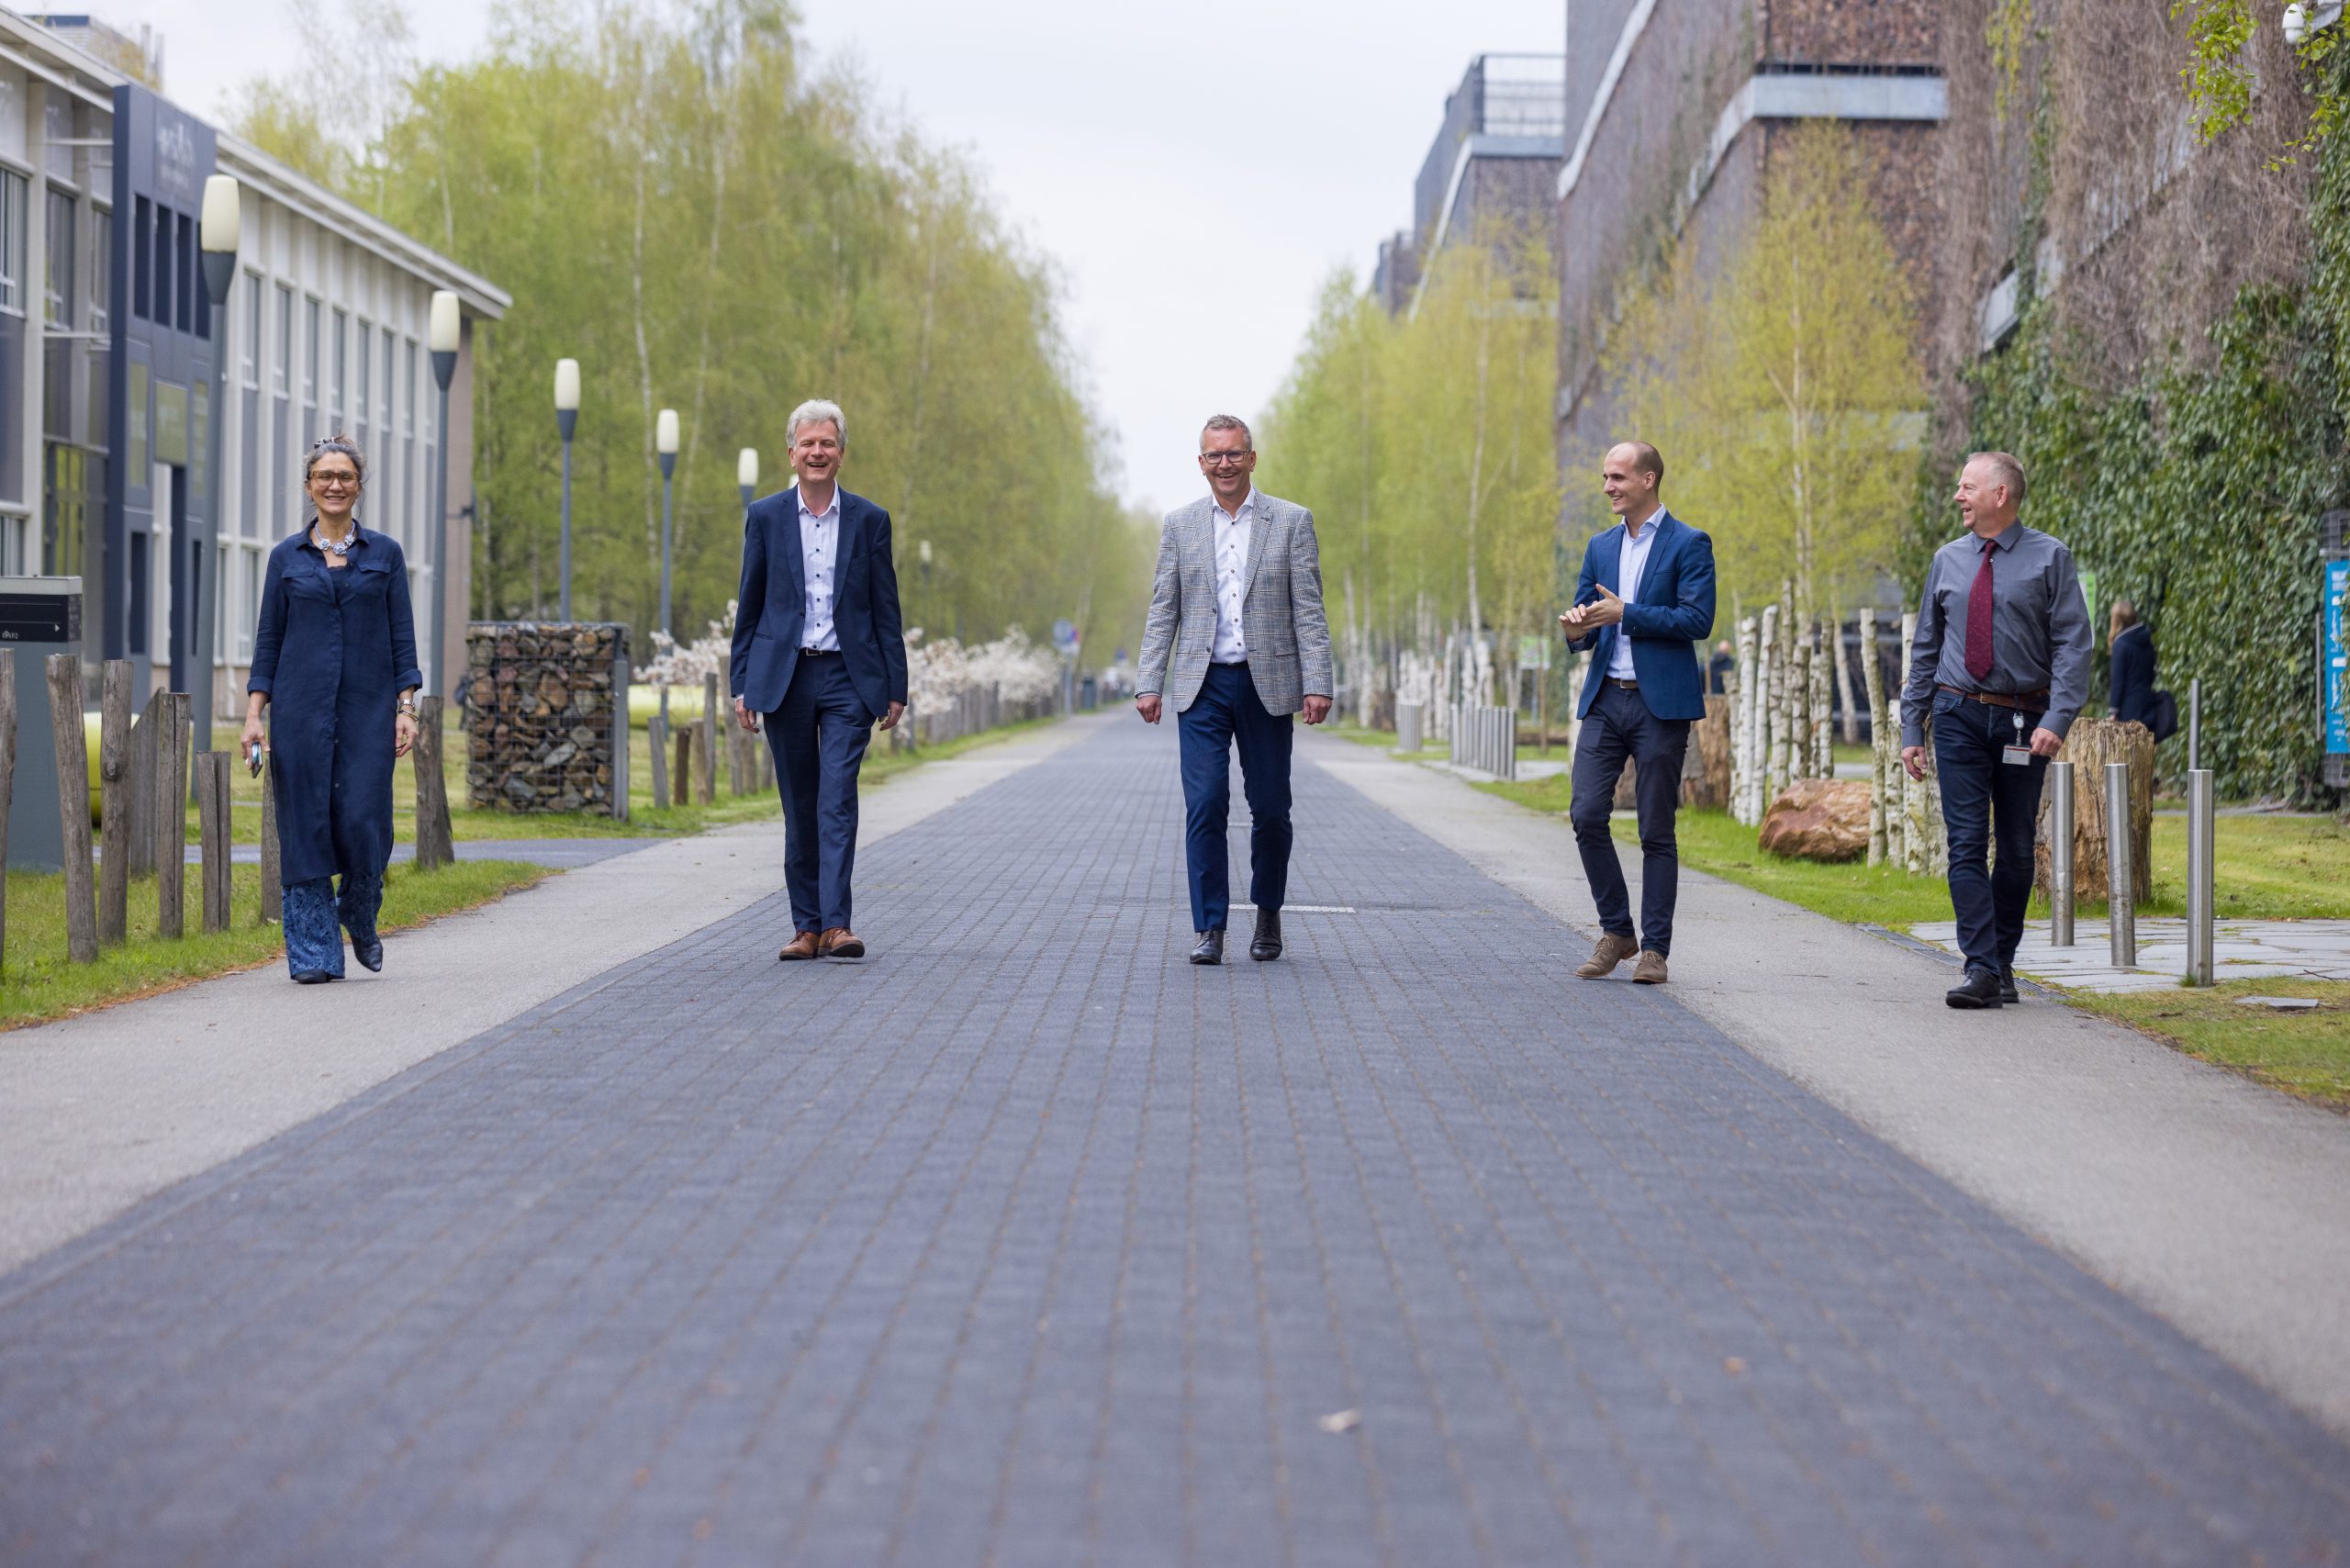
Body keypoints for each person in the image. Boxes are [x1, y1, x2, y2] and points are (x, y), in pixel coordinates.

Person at [1136, 414, 1333, 965]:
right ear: (1201, 463)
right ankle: (1210, 928)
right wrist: (1149, 681)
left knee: (1270, 808)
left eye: (1233, 454)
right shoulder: (1180, 526)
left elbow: (1309, 610)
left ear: (1251, 458)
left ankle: (1267, 913)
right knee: (1205, 804)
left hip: (1267, 682)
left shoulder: (1291, 522)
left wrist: (1318, 682)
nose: (1224, 464)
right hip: (1201, 686)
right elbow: (1164, 608)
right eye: (1214, 455)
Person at [1900, 452, 2092, 1010]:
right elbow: (1926, 648)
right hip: (1956, 713)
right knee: (1964, 843)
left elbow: (2073, 645)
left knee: (2015, 848)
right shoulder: (1947, 560)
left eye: (1967, 487)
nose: (1958, 496)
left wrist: (2057, 718)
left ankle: (2001, 962)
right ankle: (1980, 966)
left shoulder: (2051, 558)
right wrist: (1913, 725)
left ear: (2000, 495)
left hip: (2023, 722)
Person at [729, 399, 908, 961]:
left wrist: (896, 685)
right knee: (799, 802)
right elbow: (750, 605)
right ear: (792, 453)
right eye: (807, 443)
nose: (817, 452)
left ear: (841, 453)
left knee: (836, 799)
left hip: (848, 679)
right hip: (784, 678)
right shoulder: (765, 517)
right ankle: (805, 928)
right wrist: (741, 682)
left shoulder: (870, 520)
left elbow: (885, 609)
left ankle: (837, 925)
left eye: (827, 443)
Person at [241, 435, 421, 984]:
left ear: (358, 486)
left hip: (368, 710)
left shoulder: (385, 555)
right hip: (300, 712)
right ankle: (314, 954)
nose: (335, 485)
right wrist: (254, 715)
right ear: (309, 486)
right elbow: (269, 641)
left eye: (344, 476)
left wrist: (406, 707)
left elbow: (402, 638)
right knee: (304, 825)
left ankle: (360, 911)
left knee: (365, 819)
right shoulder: (285, 558)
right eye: (325, 476)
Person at [1560, 441, 1718, 986]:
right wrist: (1576, 629)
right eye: (1606, 477)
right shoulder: (1599, 546)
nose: (1608, 486)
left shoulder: (1690, 543)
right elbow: (1586, 621)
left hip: (1660, 705)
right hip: (1606, 699)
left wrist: (1627, 612)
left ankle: (1655, 951)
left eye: (1618, 477)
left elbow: (1697, 620)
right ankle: (1617, 931)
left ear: (1648, 479)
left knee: (1656, 829)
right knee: (1585, 814)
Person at [2109, 600, 2160, 731]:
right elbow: (2151, 674)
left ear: (2116, 621)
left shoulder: (2120, 645)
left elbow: (2118, 682)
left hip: (2128, 709)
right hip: (2148, 704)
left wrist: (2114, 711)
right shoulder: (2147, 641)